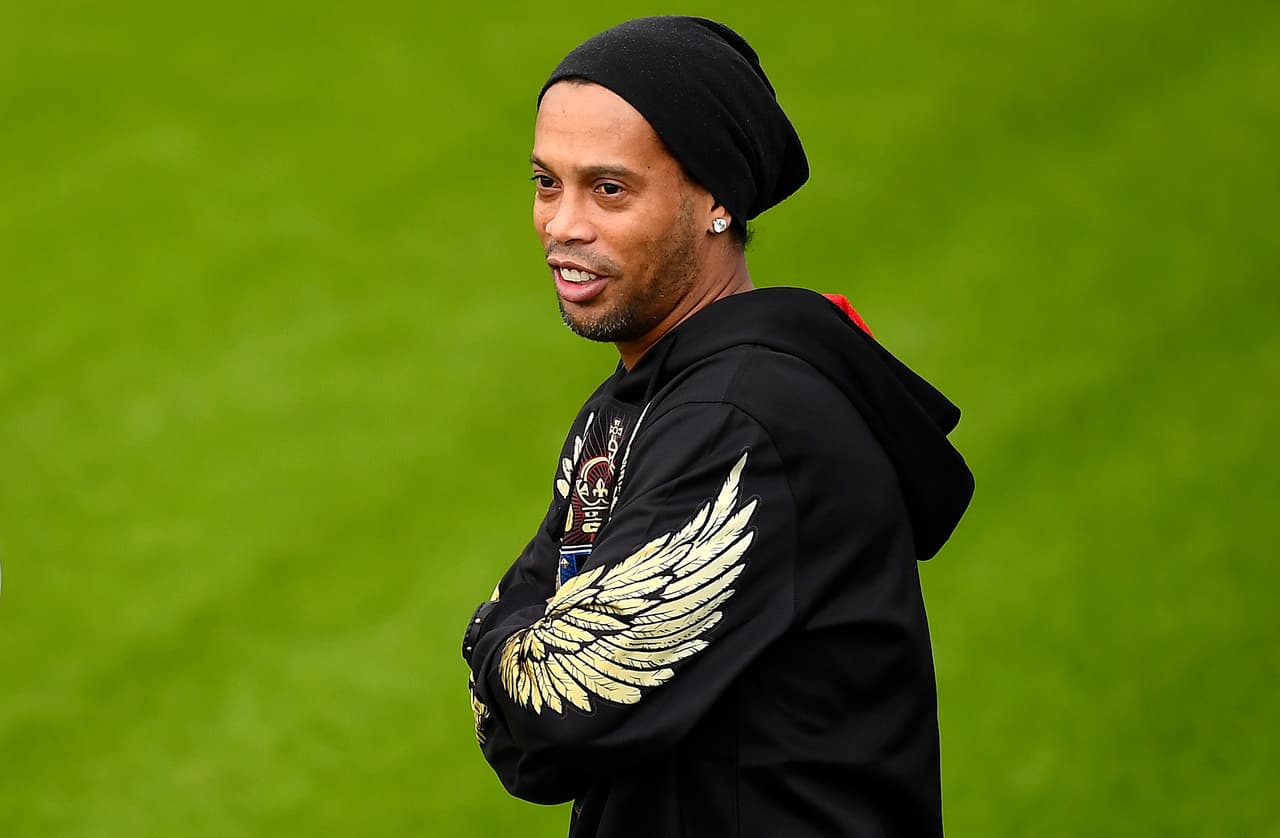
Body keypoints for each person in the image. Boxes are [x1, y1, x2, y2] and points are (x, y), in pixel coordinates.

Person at [461, 16, 974, 837]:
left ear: (717, 202)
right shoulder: (644, 398)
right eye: (545, 182)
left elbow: (561, 708)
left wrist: (490, 642)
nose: (561, 224)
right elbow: (533, 747)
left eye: (609, 188)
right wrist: (516, 656)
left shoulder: (739, 422)